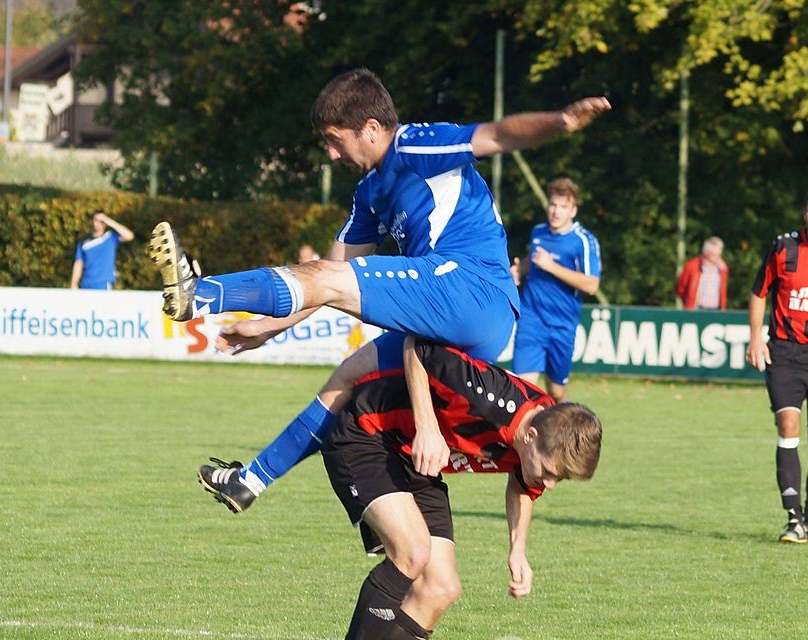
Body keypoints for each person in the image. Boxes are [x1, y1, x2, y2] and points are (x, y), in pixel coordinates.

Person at [149, 68, 610, 513]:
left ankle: (200, 293)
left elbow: (498, 135)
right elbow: (329, 276)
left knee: (331, 287)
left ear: (370, 128)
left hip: (474, 291)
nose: (331, 154)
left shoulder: (419, 144)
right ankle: (251, 480)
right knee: (347, 377)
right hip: (448, 312)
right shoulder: (369, 191)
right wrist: (271, 327)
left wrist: (562, 121)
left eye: (335, 140)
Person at [204, 336, 603, 639]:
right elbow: (419, 345)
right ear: (530, 435)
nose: (549, 483)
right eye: (550, 471)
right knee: (412, 552)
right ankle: (254, 477)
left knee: (441, 587)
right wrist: (428, 425)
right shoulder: (491, 398)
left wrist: (518, 550)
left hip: (416, 463)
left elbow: (523, 481)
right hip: (367, 435)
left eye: (559, 479)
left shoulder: (546, 432)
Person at [745, 184, 808, 544]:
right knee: (787, 424)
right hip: (786, 353)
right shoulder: (784, 248)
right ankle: (793, 519)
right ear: (804, 213)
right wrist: (754, 337)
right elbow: (758, 291)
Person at [510, 177, 601, 403]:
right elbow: (534, 261)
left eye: (563, 207)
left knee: (556, 391)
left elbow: (592, 285)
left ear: (573, 210)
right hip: (532, 318)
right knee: (524, 389)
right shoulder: (538, 232)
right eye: (553, 204)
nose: (556, 211)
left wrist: (552, 267)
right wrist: (518, 270)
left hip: (562, 324)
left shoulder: (583, 241)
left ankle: (567, 422)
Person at [70, 211, 135, 290]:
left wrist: (108, 220)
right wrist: (74, 283)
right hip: (86, 283)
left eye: (102, 221)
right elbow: (79, 262)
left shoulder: (110, 237)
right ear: (92, 221)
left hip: (104, 283)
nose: (99, 223)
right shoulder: (83, 241)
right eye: (96, 220)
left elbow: (129, 236)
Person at [675, 236, 729, 310]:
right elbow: (681, 288)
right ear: (706, 253)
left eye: (719, 253)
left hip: (716, 310)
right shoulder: (691, 266)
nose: (718, 257)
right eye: (714, 254)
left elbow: (723, 292)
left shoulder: (722, 269)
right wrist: (689, 302)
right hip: (696, 309)